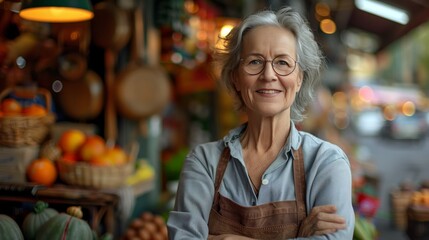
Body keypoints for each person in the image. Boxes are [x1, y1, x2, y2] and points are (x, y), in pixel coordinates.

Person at [167, 6, 355, 240]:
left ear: (299, 79)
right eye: (255, 62)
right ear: (236, 77)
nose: (268, 74)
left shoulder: (326, 163)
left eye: (283, 63)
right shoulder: (204, 162)